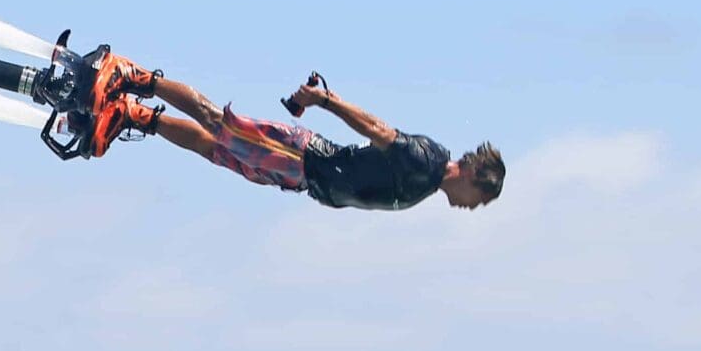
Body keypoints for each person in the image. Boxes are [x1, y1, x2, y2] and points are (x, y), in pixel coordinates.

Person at [108, 67, 504, 211]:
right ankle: (135, 78)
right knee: (217, 122)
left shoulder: (430, 182)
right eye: (479, 200)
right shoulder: (426, 162)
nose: (473, 208)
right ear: (471, 173)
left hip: (300, 179)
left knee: (214, 150)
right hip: (301, 156)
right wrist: (324, 100)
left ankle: (134, 115)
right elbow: (377, 130)